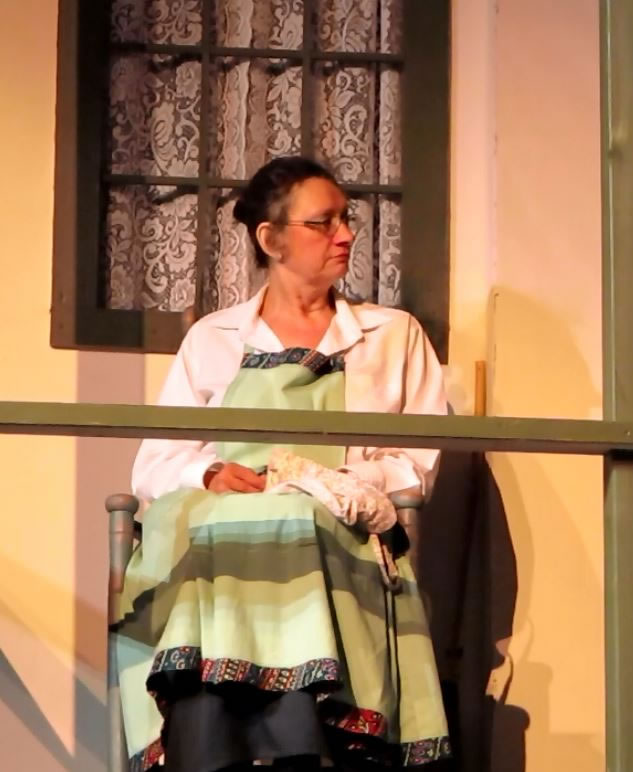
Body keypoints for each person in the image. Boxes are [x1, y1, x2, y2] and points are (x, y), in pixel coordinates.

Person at [112, 157, 450, 771]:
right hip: (222, 545)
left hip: (334, 540)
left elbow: (415, 464)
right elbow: (156, 461)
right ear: (271, 239)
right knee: (227, 527)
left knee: (297, 519)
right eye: (324, 223)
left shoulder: (392, 336)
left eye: (346, 218)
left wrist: (326, 485)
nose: (346, 234)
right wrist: (209, 474)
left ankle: (298, 742)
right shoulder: (214, 338)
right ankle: (208, 743)